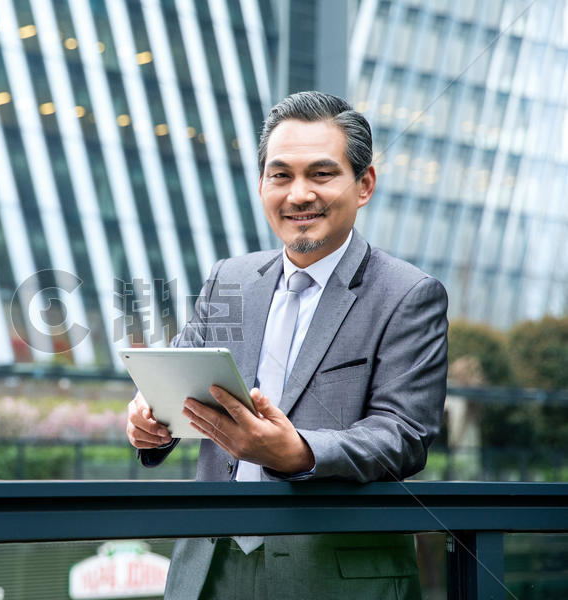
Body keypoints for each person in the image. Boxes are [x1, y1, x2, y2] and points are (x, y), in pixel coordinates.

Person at [126, 91, 448, 599]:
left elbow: (404, 434)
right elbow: (179, 386)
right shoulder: (227, 279)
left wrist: (298, 452)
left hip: (335, 579)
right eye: (281, 175)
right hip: (209, 573)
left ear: (363, 185)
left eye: (321, 174)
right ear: (261, 185)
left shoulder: (408, 294)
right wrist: (151, 422)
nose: (298, 194)